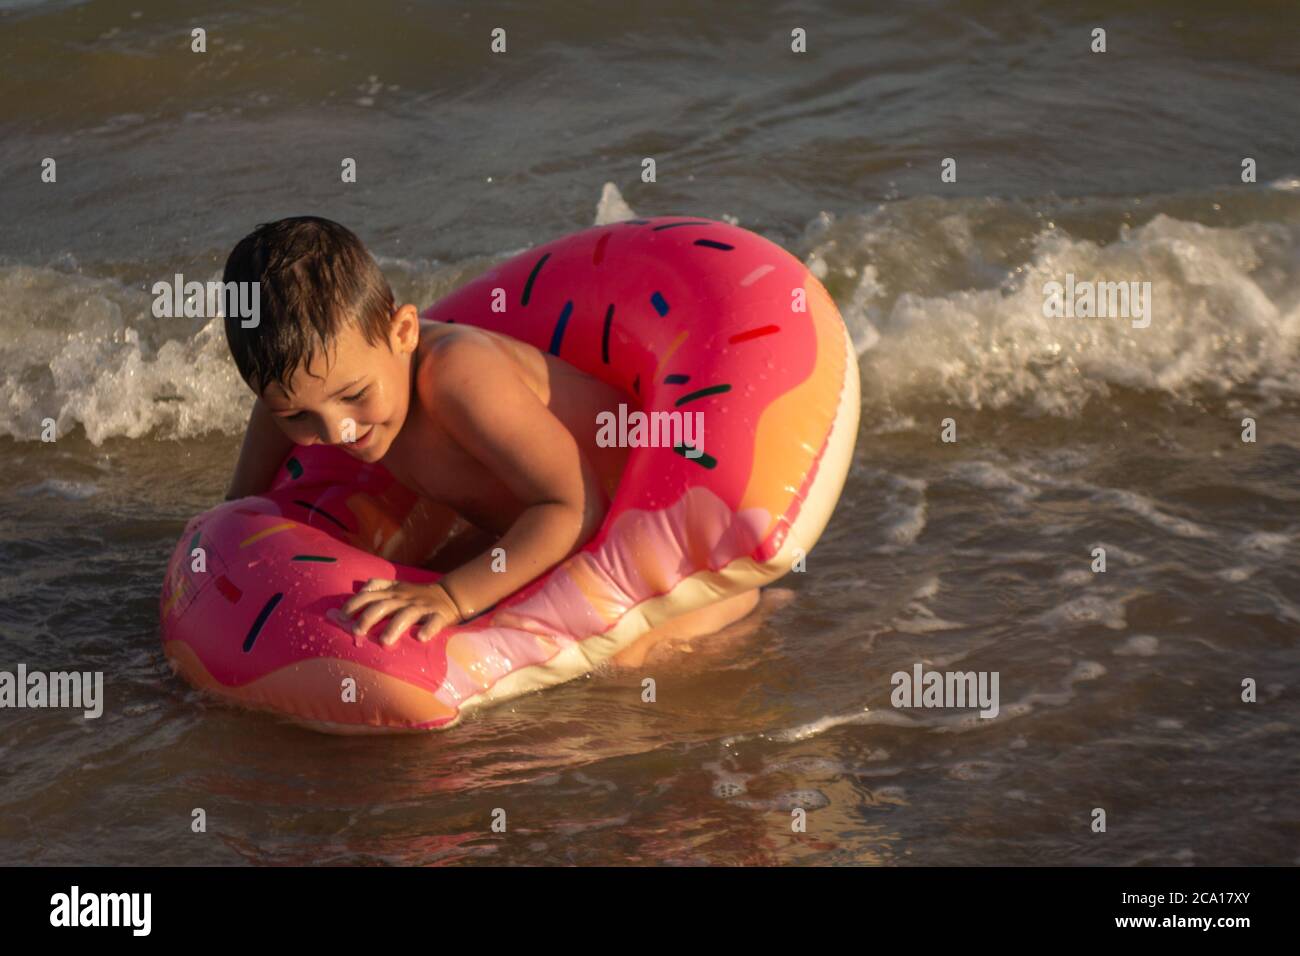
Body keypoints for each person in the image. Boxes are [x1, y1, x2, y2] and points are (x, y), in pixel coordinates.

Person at [222, 216, 759, 662]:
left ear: (404, 331)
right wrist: (237, 508)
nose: (335, 429)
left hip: (651, 533)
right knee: (402, 595)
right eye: (298, 415)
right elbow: (274, 412)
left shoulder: (458, 381)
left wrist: (452, 599)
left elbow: (574, 505)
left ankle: (760, 613)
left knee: (620, 666)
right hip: (534, 528)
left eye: (355, 395)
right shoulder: (318, 391)